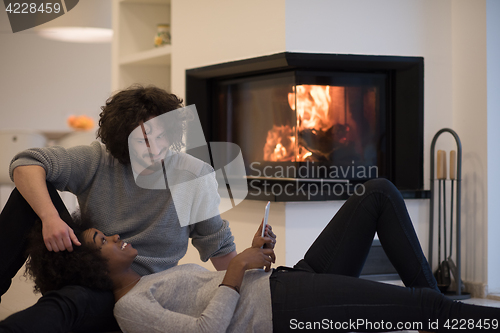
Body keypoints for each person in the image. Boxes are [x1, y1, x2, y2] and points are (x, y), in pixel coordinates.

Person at [16, 179, 500, 333]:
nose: (116, 235)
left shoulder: (151, 276)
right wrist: (238, 273)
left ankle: (445, 316)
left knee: (377, 193)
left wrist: (251, 253)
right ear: (91, 265)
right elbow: (207, 331)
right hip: (286, 309)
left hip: (286, 284)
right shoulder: (129, 310)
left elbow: (220, 287)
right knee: (424, 312)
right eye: (103, 240)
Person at [0, 85, 237, 332]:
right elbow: (26, 163)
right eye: (143, 140)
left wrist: (246, 285)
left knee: (69, 303)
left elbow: (218, 245)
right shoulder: (98, 159)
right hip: (93, 270)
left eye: (161, 136)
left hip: (139, 290)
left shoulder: (193, 175)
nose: (155, 150)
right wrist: (49, 217)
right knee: (26, 197)